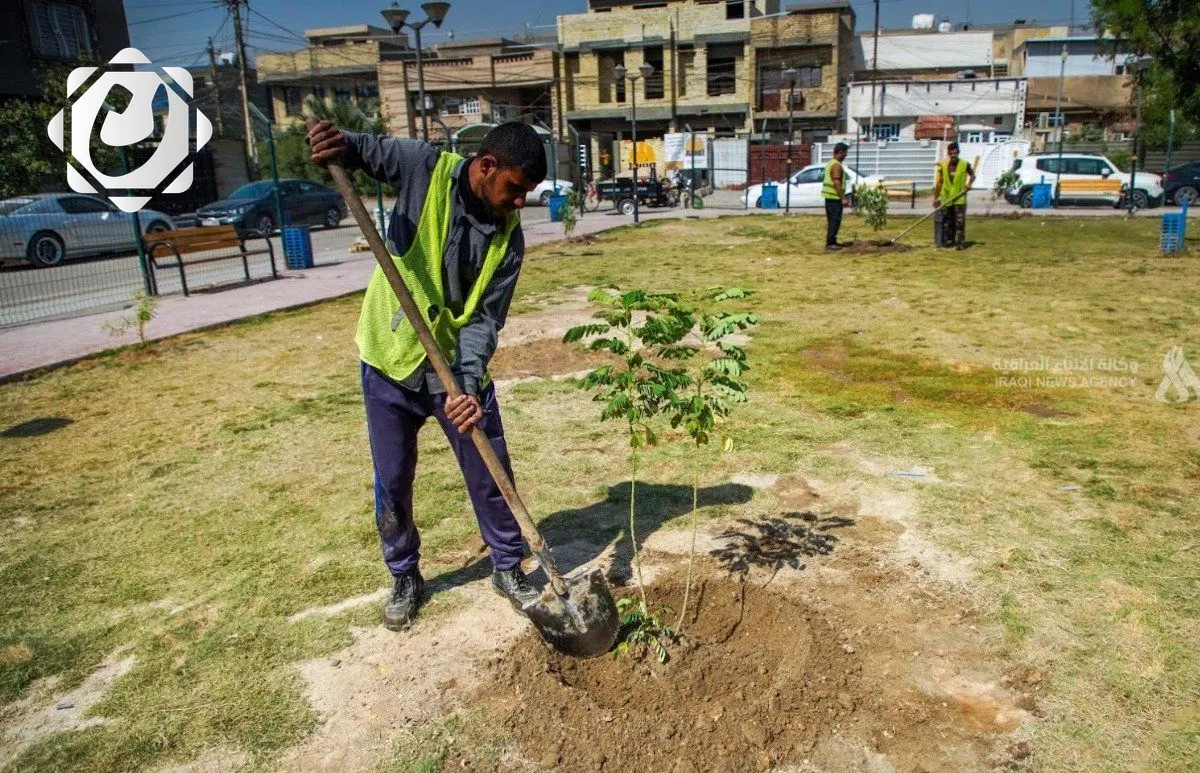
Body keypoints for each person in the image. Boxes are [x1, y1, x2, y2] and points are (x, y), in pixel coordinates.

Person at [307, 120, 547, 631]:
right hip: (390, 356)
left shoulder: (510, 241)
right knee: (392, 477)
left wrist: (465, 383)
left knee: (489, 467)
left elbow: (486, 318)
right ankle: (404, 573)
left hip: (455, 367)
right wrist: (336, 144)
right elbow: (361, 150)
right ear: (487, 167)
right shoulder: (422, 167)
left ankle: (507, 565)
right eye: (517, 188)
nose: (521, 202)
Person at [933, 141, 976, 250]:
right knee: (948, 221)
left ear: (958, 153)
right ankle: (948, 241)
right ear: (948, 153)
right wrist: (936, 197)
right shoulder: (944, 165)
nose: (953, 155)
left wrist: (969, 184)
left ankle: (960, 243)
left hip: (959, 198)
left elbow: (973, 175)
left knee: (959, 222)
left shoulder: (964, 164)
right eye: (951, 153)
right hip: (947, 197)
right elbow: (940, 182)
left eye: (955, 153)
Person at [822, 142, 851, 250]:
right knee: (835, 221)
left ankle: (832, 241)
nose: (846, 155)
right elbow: (836, 182)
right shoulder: (836, 165)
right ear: (840, 152)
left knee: (832, 221)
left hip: (830, 197)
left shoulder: (830, 163)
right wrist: (843, 197)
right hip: (834, 198)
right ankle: (830, 244)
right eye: (845, 153)